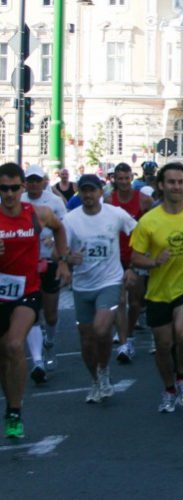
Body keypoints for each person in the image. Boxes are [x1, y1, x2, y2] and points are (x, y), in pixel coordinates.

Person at [130, 163, 183, 413]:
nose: (176, 187)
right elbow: (135, 257)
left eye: (180, 182)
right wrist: (153, 262)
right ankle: (168, 389)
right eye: (171, 182)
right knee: (164, 344)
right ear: (161, 185)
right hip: (159, 290)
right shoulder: (149, 221)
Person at [0, 162, 70, 438]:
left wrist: (62, 261)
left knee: (15, 344)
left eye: (14, 188)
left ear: (23, 187)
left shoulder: (37, 214)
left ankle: (15, 411)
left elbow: (60, 230)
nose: (9, 194)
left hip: (27, 292)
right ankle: (11, 403)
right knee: (3, 355)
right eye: (3, 189)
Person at [65, 174, 137, 403]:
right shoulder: (71, 219)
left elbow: (139, 233)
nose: (88, 195)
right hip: (82, 284)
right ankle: (96, 380)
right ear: (79, 192)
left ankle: (104, 370)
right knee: (86, 339)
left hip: (110, 281)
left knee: (101, 329)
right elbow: (60, 248)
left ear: (100, 192)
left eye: (92, 191)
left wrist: (132, 266)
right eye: (84, 191)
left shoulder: (115, 214)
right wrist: (67, 258)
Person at [21, 165, 68, 381]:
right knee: (32, 311)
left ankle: (49, 342)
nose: (33, 184)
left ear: (44, 182)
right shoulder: (18, 199)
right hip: (26, 264)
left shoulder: (54, 202)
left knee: (50, 313)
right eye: (29, 180)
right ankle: (37, 361)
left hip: (49, 260)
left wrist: (62, 257)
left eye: (36, 180)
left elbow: (64, 228)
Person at [107, 162, 153, 363]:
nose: (124, 182)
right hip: (115, 256)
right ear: (114, 180)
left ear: (131, 179)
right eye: (120, 179)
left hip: (136, 256)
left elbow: (152, 225)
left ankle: (130, 334)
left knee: (135, 302)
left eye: (127, 178)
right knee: (120, 301)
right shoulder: (109, 200)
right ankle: (124, 342)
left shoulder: (142, 200)